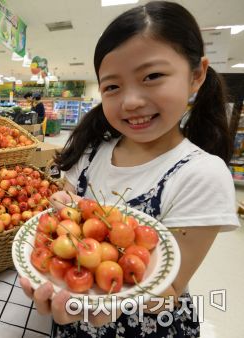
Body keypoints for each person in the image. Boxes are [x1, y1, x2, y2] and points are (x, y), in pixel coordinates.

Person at [19, 1, 239, 337]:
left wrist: (110, 302)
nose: (131, 101)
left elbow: (170, 292)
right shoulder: (89, 153)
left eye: (152, 76)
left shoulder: (202, 175)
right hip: (76, 310)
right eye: (112, 86)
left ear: (196, 75)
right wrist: (60, 211)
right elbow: (64, 208)